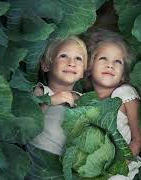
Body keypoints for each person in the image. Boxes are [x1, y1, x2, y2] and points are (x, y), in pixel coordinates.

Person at [85, 29, 141, 179]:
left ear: (123, 74)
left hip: (121, 170)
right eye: (103, 59)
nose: (110, 65)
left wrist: (116, 167)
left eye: (118, 61)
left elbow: (138, 139)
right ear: (89, 66)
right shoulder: (84, 101)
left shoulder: (124, 94)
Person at [26, 36, 88, 179]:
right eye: (63, 56)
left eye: (78, 59)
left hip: (72, 166)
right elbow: (27, 125)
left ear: (83, 72)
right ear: (46, 65)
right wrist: (49, 101)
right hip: (41, 162)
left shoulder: (83, 99)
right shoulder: (41, 92)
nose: (71, 63)